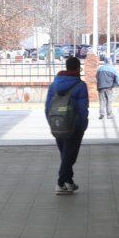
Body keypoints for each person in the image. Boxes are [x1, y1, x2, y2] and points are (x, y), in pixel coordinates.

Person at [46, 56, 89, 195]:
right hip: (74, 125)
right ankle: (60, 183)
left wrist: (52, 122)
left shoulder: (54, 84)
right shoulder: (80, 85)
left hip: (57, 123)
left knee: (65, 154)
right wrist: (83, 125)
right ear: (78, 68)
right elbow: (83, 109)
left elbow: (48, 106)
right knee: (69, 156)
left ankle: (69, 182)